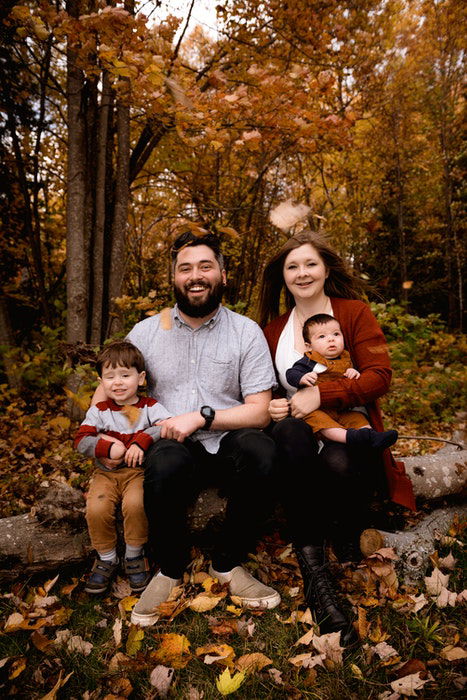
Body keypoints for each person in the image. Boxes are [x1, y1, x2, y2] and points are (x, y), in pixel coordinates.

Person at [93, 230, 280, 626]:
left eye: (205, 266)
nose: (195, 276)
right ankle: (171, 569)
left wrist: (203, 416)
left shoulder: (246, 332)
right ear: (174, 278)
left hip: (228, 437)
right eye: (185, 268)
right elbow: (104, 393)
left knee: (263, 451)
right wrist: (102, 440)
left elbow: (260, 411)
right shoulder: (146, 332)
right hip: (171, 445)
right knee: (163, 461)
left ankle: (228, 563)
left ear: (223, 275)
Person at [259, 230, 415, 646]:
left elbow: (379, 376)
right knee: (289, 430)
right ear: (283, 276)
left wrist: (322, 393)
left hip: (347, 426)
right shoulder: (272, 329)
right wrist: (275, 404)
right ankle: (314, 569)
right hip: (297, 433)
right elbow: (269, 388)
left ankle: (345, 527)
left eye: (310, 263)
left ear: (327, 268)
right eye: (292, 266)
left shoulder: (353, 312)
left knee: (339, 462)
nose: (302, 272)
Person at [75, 341, 171, 595]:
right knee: (97, 507)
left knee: (136, 504)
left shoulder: (149, 406)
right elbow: (81, 440)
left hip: (138, 473)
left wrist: (142, 440)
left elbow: (166, 427)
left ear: (140, 378)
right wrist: (106, 448)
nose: (117, 382)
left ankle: (134, 556)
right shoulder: (99, 411)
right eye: (110, 377)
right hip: (106, 474)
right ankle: (106, 557)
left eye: (125, 375)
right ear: (101, 381)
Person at [286, 313, 398, 449]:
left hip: (342, 409)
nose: (331, 340)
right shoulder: (310, 360)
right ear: (309, 346)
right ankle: (349, 438)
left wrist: (354, 372)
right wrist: (301, 378)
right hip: (316, 410)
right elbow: (291, 373)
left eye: (336, 334)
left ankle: (372, 436)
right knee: (321, 423)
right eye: (322, 336)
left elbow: (354, 381)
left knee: (357, 417)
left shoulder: (346, 358)